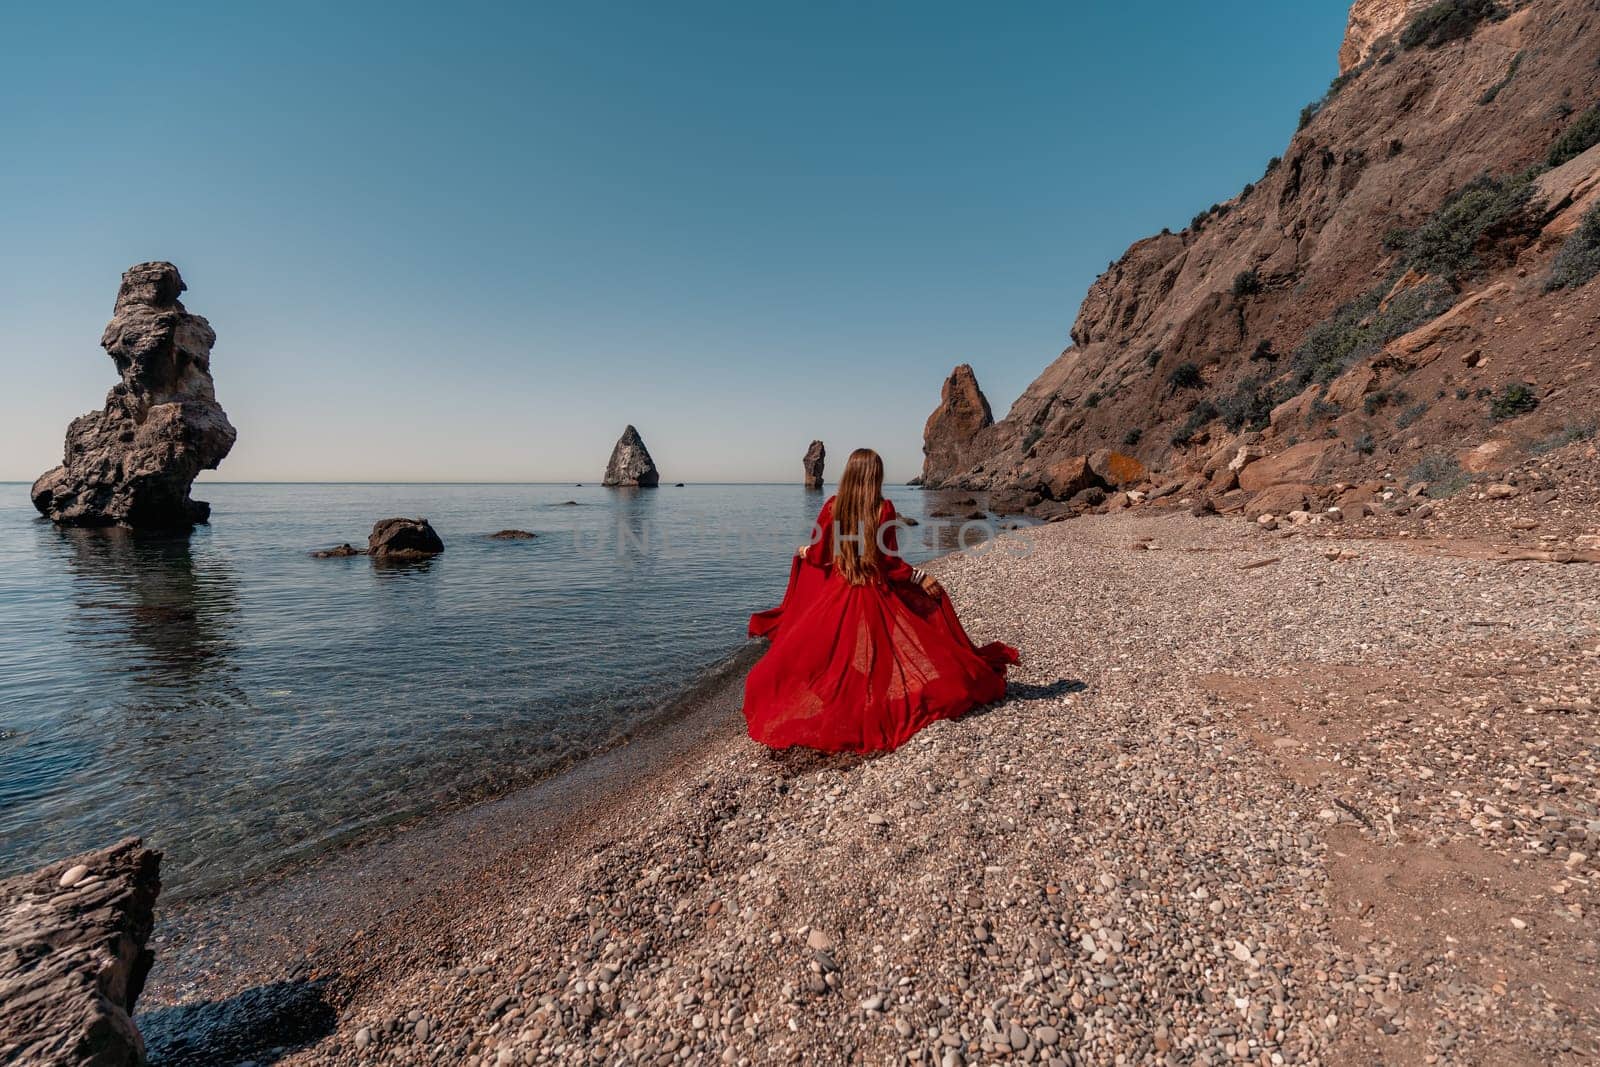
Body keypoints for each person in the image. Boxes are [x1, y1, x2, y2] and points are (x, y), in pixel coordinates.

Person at [742, 447, 1018, 752]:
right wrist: (920, 578)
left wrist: (805, 552)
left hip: (839, 594)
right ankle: (876, 700)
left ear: (849, 473)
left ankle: (849, 702)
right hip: (875, 593)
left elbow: (821, 556)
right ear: (876, 476)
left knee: (837, 655)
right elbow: (890, 563)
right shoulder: (883, 509)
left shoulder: (833, 507)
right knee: (881, 652)